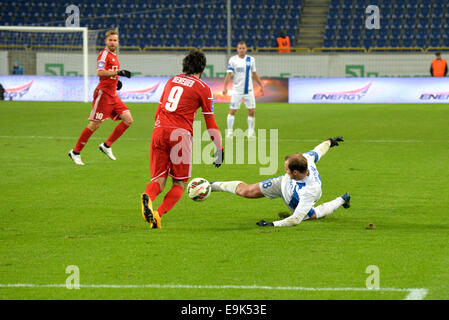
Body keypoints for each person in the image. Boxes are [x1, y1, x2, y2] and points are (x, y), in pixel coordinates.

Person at [141, 49, 224, 229]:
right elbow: (210, 121)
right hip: (180, 135)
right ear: (202, 68)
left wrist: (160, 130)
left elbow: (158, 112)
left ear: (185, 65)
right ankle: (158, 214)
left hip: (159, 130)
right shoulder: (203, 88)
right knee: (179, 183)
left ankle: (149, 198)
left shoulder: (171, 81)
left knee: (158, 180)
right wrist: (219, 148)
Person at [210, 137, 351, 227]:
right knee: (247, 191)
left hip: (295, 199)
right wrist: (330, 142)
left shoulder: (309, 190)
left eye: (286, 168)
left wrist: (273, 224)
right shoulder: (306, 159)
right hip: (283, 184)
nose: (284, 169)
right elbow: (318, 151)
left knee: (311, 215)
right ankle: (212, 185)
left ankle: (341, 200)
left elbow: (295, 219)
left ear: (295, 172)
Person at [68, 30, 132, 165]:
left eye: (115, 40)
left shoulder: (114, 55)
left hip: (113, 94)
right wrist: (118, 72)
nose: (113, 42)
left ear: (118, 42)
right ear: (106, 41)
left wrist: (116, 80)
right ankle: (75, 152)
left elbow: (110, 74)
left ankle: (107, 145)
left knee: (127, 120)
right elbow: (100, 72)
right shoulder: (104, 55)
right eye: (111, 40)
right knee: (95, 124)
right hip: (103, 94)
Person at [223, 41, 264, 139]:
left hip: (248, 90)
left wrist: (261, 85)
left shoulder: (251, 59)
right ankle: (229, 132)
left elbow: (254, 74)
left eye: (243, 48)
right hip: (237, 90)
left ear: (246, 49)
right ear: (237, 49)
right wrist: (225, 87)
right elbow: (228, 75)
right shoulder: (233, 60)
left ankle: (250, 132)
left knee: (251, 111)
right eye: (240, 48)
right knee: (232, 111)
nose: (241, 50)